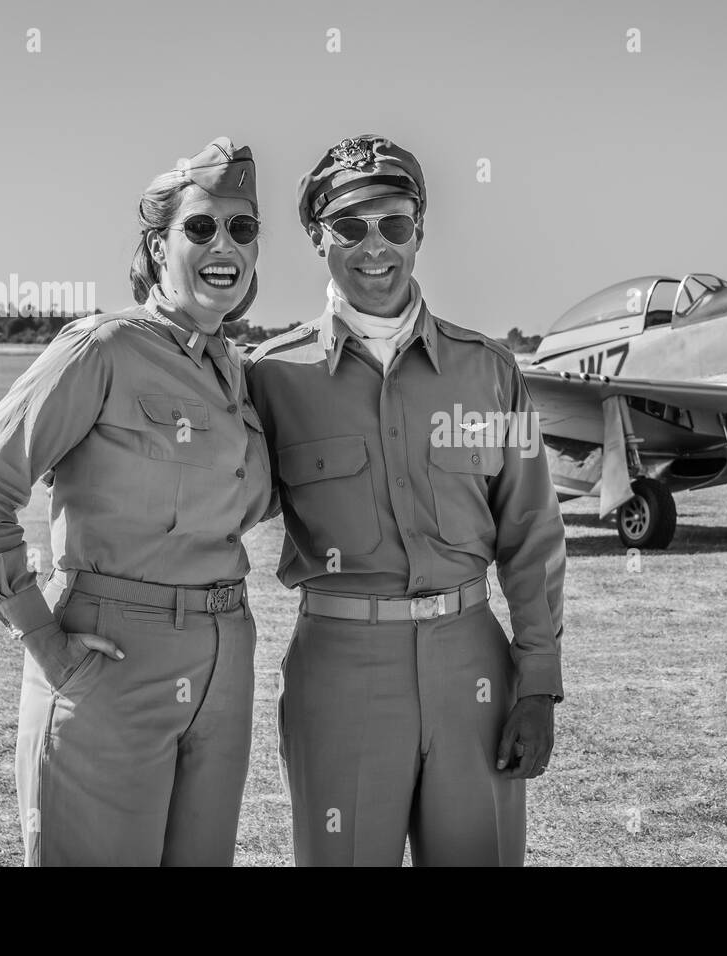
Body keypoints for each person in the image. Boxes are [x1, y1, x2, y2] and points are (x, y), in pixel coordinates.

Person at [0, 137, 273, 866]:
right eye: (200, 227)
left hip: (225, 665)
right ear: (157, 248)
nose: (225, 244)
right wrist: (44, 641)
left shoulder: (236, 372)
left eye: (242, 228)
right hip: (111, 662)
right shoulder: (101, 349)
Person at [245, 134, 566, 866]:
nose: (374, 247)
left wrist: (539, 683)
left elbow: (532, 534)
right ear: (316, 238)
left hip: (473, 667)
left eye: (394, 223)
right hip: (340, 669)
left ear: (419, 229)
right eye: (350, 228)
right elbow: (212, 500)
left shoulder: (489, 371)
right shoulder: (271, 378)